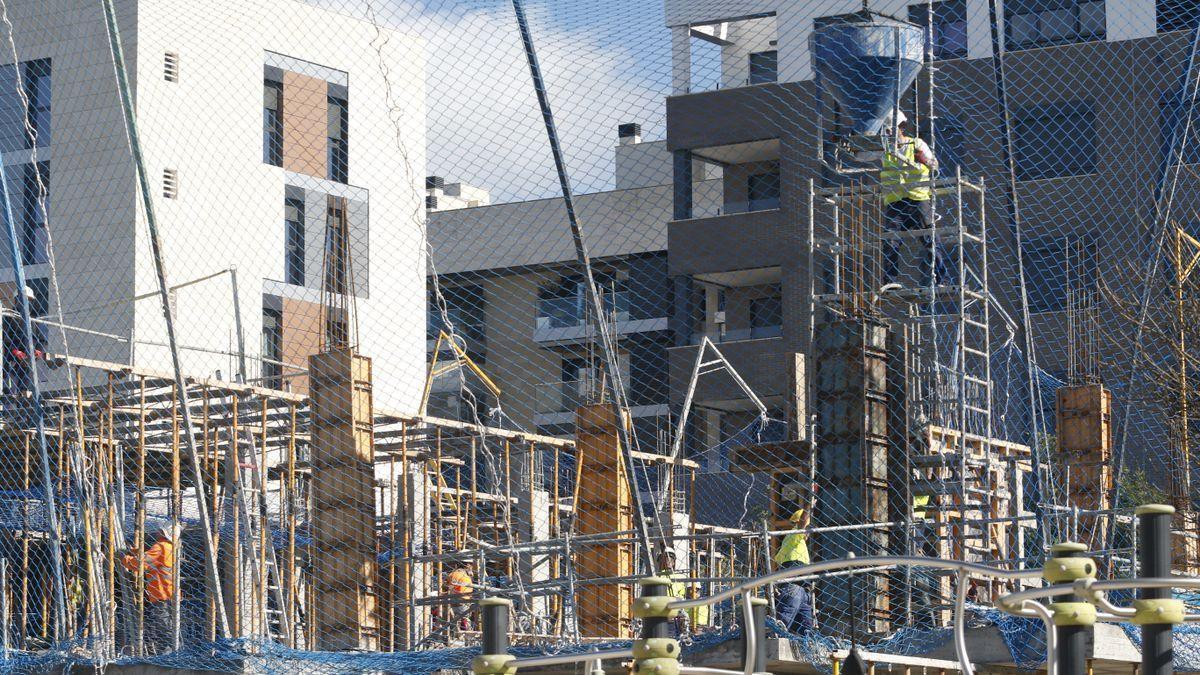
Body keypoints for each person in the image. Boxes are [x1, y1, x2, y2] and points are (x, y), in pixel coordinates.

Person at [879, 110, 946, 293]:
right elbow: (863, 155)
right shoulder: (885, 148)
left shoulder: (916, 144)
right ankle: (890, 281)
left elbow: (935, 165)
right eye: (886, 130)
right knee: (890, 241)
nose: (889, 133)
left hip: (917, 198)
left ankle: (939, 278)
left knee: (930, 239)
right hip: (896, 202)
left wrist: (924, 159)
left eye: (892, 129)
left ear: (901, 127)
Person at [122, 523, 182, 654]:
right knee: (170, 627)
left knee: (163, 629)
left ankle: (167, 658)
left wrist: (124, 559)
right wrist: (136, 552)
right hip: (171, 595)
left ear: (164, 533)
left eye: (160, 530)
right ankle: (174, 654)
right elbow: (151, 558)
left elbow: (140, 563)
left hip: (161, 595)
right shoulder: (171, 548)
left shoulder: (160, 547)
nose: (157, 532)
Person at [773, 508, 814, 635]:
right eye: (809, 528)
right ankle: (774, 641)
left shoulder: (794, 543)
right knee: (783, 623)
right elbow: (802, 523)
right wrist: (809, 507)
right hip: (794, 588)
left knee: (806, 628)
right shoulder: (795, 534)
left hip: (802, 591)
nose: (809, 533)